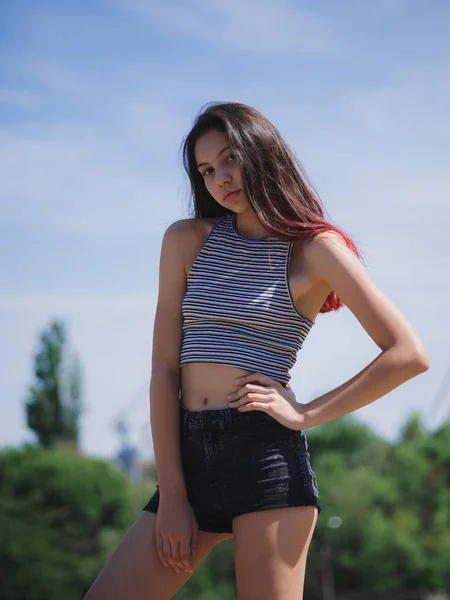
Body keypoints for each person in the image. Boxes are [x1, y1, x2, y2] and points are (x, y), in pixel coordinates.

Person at [84, 102, 429, 600]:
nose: (220, 178)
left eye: (229, 159)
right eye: (206, 170)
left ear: (261, 154)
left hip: (265, 458)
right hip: (189, 457)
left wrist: (306, 412)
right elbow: (163, 371)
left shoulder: (316, 250)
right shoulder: (185, 241)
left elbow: (408, 353)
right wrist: (175, 494)